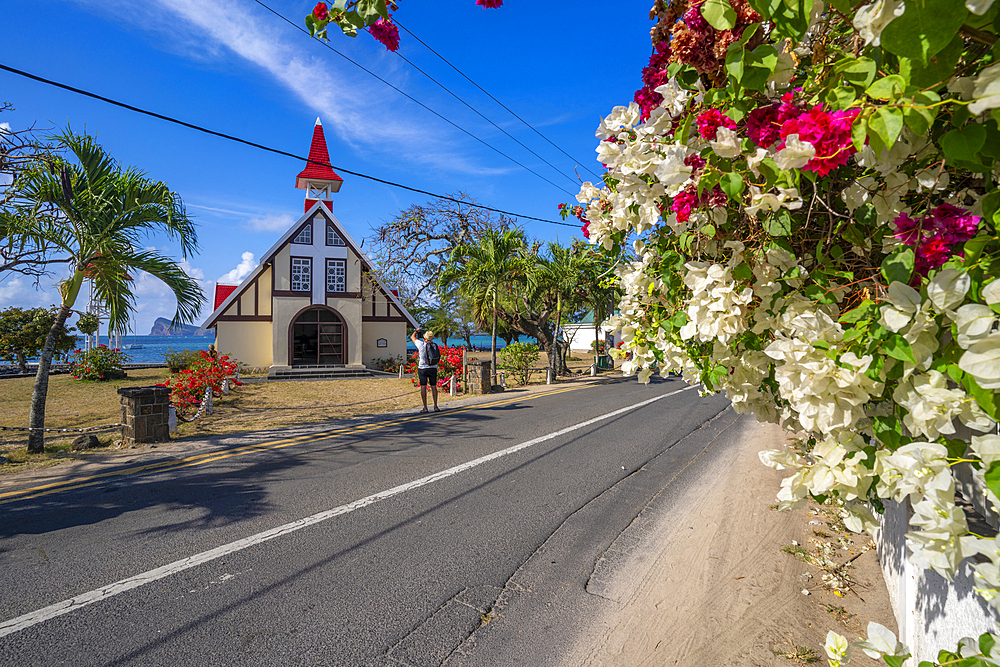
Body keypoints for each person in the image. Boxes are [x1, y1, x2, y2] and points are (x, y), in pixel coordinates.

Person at [411, 328, 440, 413]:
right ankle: (435, 406)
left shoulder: (421, 344)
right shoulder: (435, 345)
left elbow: (413, 337)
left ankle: (425, 407)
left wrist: (416, 331)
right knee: (434, 386)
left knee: (423, 386)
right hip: (433, 368)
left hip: (423, 368)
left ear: (424, 338)